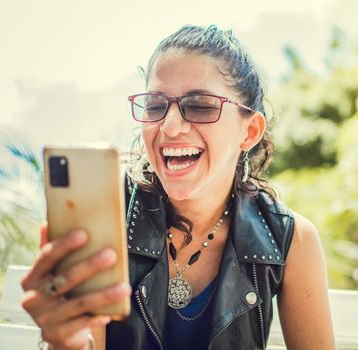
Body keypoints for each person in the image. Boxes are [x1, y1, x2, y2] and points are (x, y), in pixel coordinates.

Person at [21, 25, 336, 350]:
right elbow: (82, 339)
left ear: (250, 131)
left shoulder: (290, 239)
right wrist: (65, 342)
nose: (170, 126)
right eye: (156, 105)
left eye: (200, 105)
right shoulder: (101, 212)